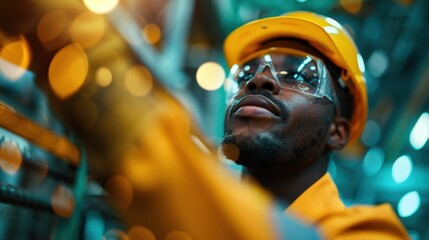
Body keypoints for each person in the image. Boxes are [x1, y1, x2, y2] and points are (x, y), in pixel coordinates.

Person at [221, 11, 410, 239]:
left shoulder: (364, 233)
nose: (257, 80)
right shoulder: (197, 212)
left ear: (336, 132)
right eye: (244, 75)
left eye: (298, 75)